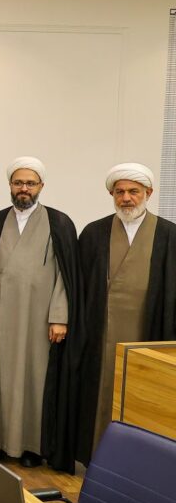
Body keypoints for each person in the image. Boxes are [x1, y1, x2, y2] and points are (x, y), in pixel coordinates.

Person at [0, 157, 81, 471]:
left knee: (34, 378)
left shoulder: (59, 222)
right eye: (18, 182)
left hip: (39, 318)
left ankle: (32, 446)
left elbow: (66, 276)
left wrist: (60, 316)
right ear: (10, 185)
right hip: (0, 316)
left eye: (30, 183)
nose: (24, 188)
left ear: (41, 186)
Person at [77, 163, 176, 462]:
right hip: (101, 330)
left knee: (143, 393)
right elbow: (80, 286)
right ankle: (99, 455)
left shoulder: (169, 234)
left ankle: (138, 462)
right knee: (103, 389)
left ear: (148, 193)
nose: (126, 198)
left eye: (134, 191)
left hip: (149, 328)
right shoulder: (94, 232)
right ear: (112, 195)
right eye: (119, 192)